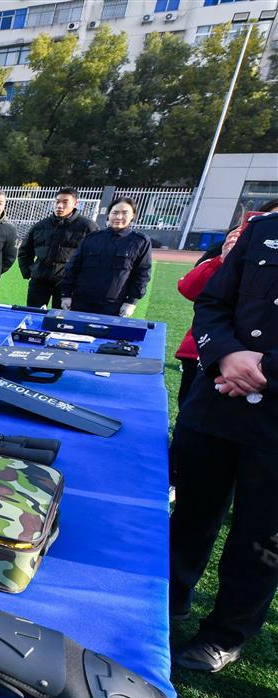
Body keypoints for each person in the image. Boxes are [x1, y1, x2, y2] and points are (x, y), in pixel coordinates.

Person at [168, 210, 278, 672]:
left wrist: (262, 372)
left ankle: (226, 634)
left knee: (260, 539)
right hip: (215, 401)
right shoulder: (262, 230)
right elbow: (211, 302)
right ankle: (171, 596)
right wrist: (228, 355)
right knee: (190, 513)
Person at [174, 226, 240, 405]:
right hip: (203, 349)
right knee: (188, 411)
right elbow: (189, 289)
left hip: (260, 362)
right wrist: (223, 260)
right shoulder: (222, 255)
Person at [59, 197, 151, 317]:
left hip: (114, 306)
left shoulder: (140, 241)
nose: (119, 217)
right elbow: (72, 268)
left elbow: (142, 274)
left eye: (124, 213)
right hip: (81, 303)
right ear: (108, 215)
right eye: (115, 212)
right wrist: (66, 295)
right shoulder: (92, 238)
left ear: (133, 215)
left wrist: (131, 302)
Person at [17, 187, 97, 309]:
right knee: (32, 315)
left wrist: (81, 280)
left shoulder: (88, 227)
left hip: (67, 284)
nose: (60, 206)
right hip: (39, 280)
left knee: (60, 319)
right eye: (57, 201)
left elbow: (95, 257)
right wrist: (30, 272)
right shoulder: (40, 225)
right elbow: (25, 251)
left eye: (65, 202)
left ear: (76, 204)